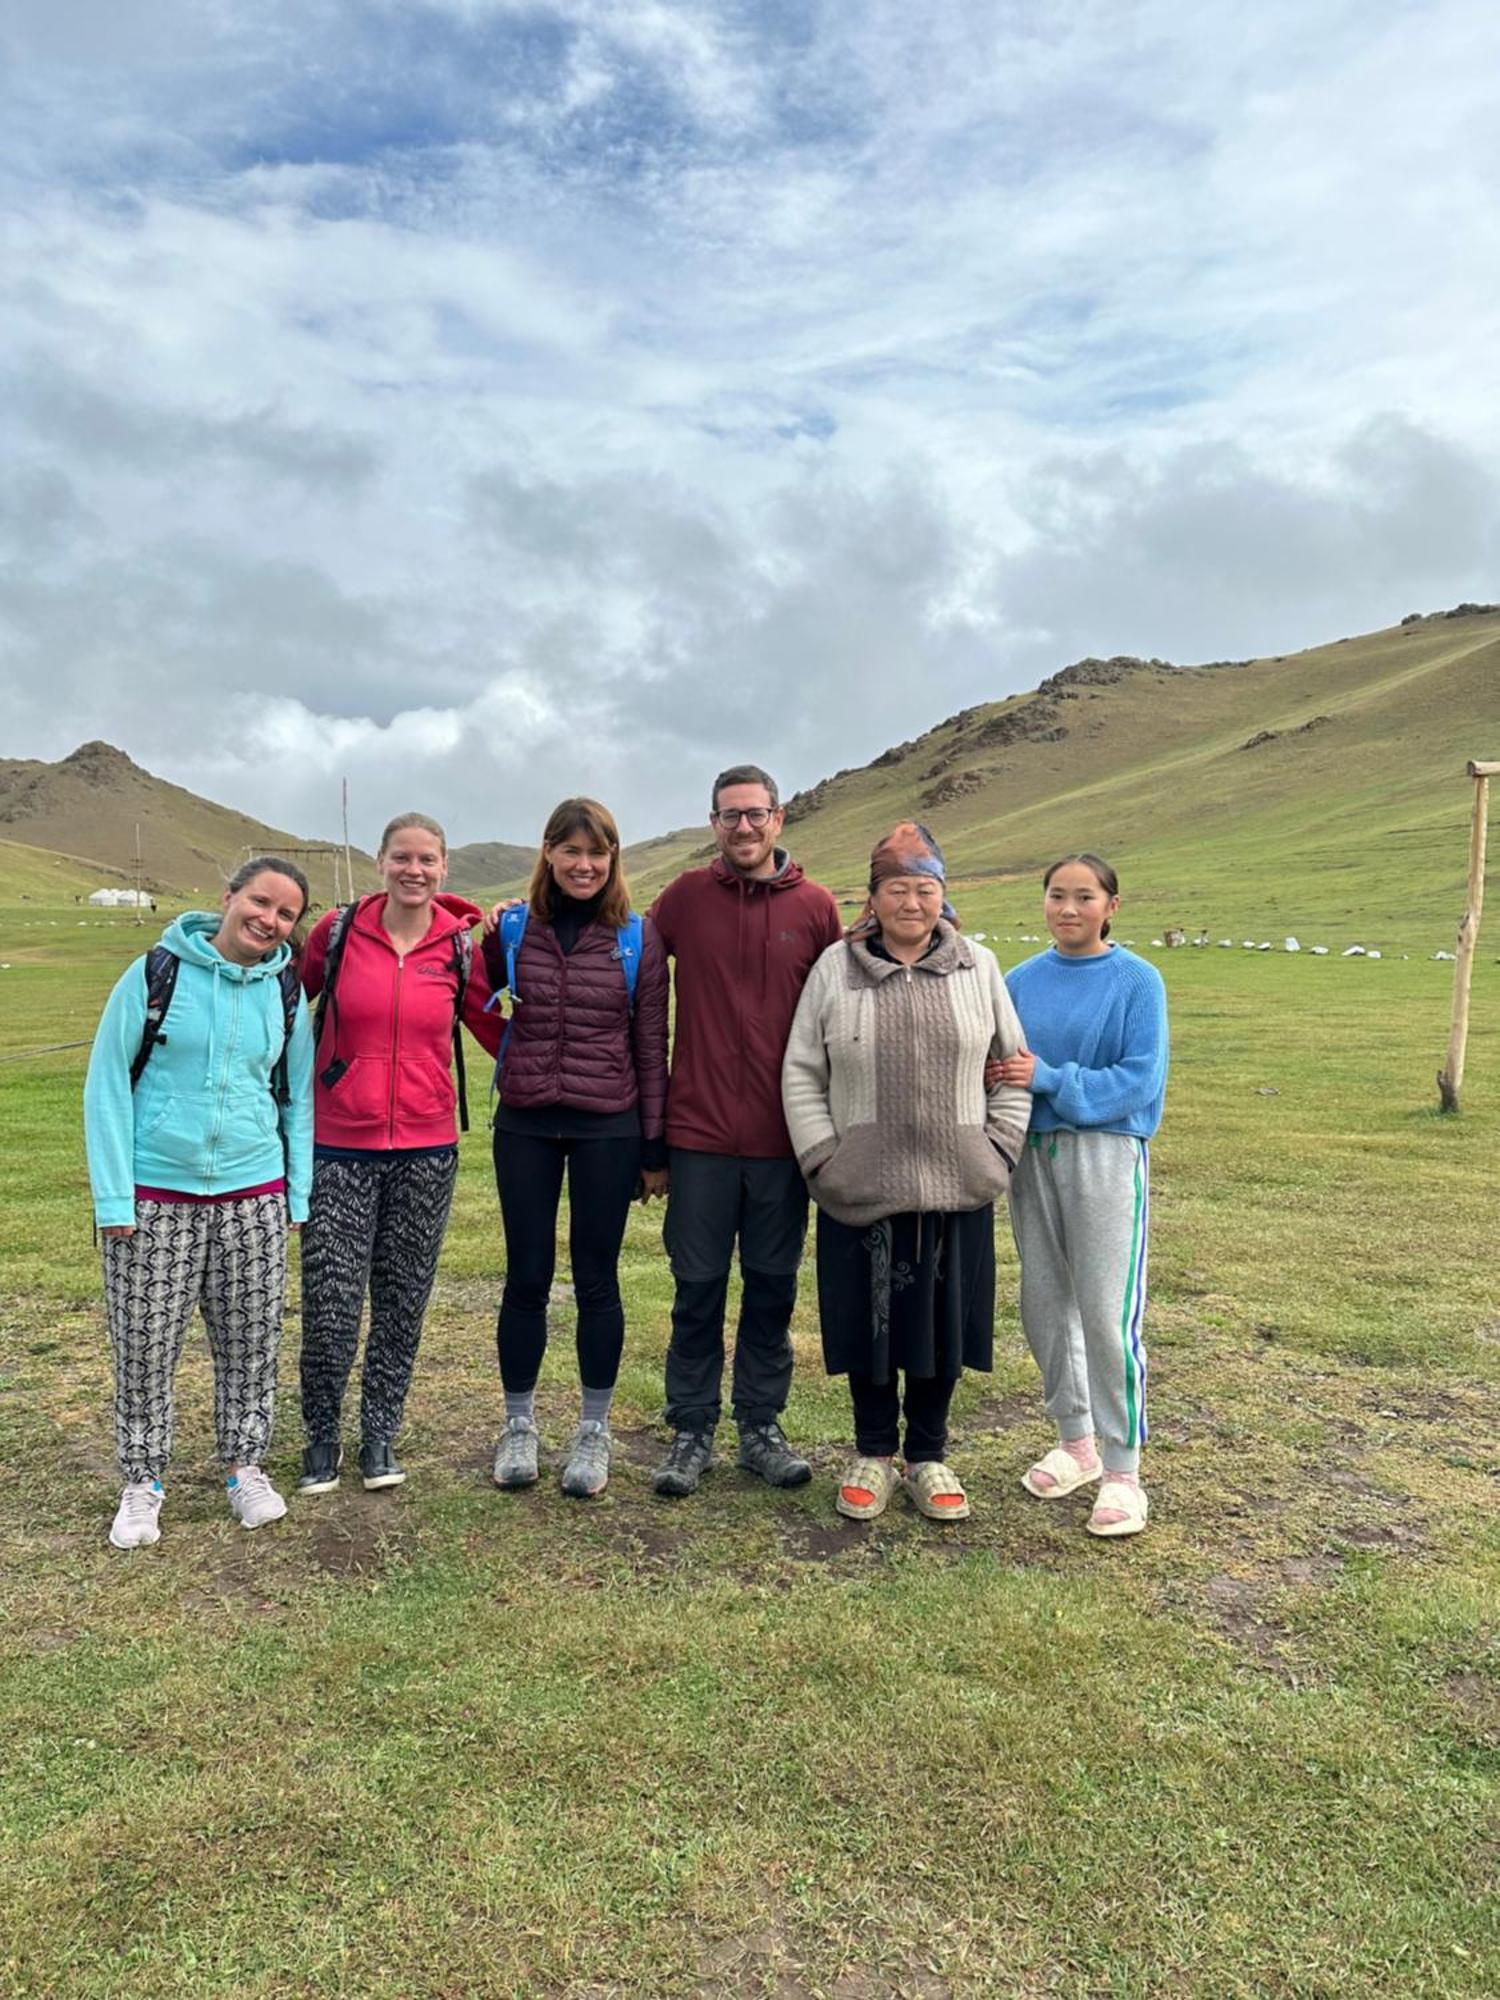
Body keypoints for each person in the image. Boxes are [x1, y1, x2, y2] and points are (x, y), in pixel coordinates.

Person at [782, 823, 1031, 1522]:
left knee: (940, 1324)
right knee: (869, 1321)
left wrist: (999, 1147)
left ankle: (928, 1455)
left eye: (925, 889)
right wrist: (824, 1158)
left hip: (957, 1181)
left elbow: (1014, 1066)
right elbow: (802, 1071)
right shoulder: (836, 968)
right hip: (860, 1181)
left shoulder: (978, 967)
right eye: (897, 889)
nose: (912, 902)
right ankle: (871, 1452)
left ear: (943, 897)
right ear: (873, 898)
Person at [83, 858, 315, 1549]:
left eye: (285, 914)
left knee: (251, 1342)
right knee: (145, 1344)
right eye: (260, 901)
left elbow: (297, 1097)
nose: (268, 920)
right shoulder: (157, 973)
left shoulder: (286, 992)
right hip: (155, 1195)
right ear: (229, 898)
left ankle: (245, 1467)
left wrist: (294, 1191)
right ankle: (142, 1482)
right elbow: (105, 1087)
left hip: (254, 1193)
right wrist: (113, 1196)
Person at [648, 765, 844, 1497]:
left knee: (771, 1290)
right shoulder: (684, 900)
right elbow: (620, 955)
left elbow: (846, 1010)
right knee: (695, 1288)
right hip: (695, 1135)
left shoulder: (817, 908)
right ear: (713, 823)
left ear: (779, 819)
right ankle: (691, 1428)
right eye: (729, 816)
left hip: (784, 1141)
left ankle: (761, 1426)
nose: (743, 828)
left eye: (755, 814)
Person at [296, 813, 501, 1496]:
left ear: (445, 869)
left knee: (403, 1299)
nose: (415, 871)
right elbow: (283, 1003)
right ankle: (321, 1436)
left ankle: (379, 1433)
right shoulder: (339, 931)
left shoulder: (459, 948)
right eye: (402, 858)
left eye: (429, 860)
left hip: (427, 1149)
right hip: (338, 1146)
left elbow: (499, 1031)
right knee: (330, 1300)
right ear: (381, 862)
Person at [486, 798, 669, 1498]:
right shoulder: (511, 927)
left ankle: (594, 1431)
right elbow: (471, 994)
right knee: (525, 1276)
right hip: (526, 1123)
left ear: (613, 858)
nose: (584, 865)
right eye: (571, 851)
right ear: (549, 853)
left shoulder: (636, 939)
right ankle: (519, 1425)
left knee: (597, 1280)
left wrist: (654, 1146)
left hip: (607, 1126)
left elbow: (651, 1045)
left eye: (598, 853)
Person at [998, 853, 1169, 1539]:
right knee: (1043, 1303)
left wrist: (1051, 1079)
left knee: (1105, 1307)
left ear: (1111, 906)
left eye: (1084, 897)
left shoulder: (1137, 981)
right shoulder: (1018, 981)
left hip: (1103, 1151)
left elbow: (1138, 1079)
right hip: (1030, 1153)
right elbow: (999, 1060)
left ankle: (1124, 1470)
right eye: (1057, 896)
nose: (1068, 909)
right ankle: (1076, 1443)